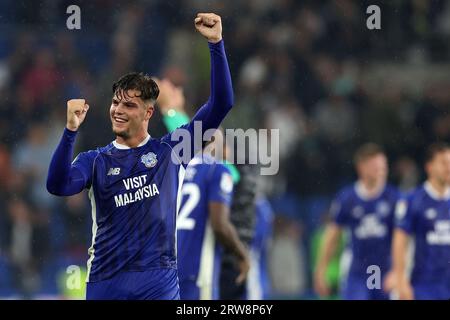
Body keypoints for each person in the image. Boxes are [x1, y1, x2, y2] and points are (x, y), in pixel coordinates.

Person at [46, 13, 234, 300]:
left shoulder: (171, 151)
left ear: (148, 112)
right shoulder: (94, 160)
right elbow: (57, 186)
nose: (118, 110)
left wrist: (216, 44)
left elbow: (222, 103)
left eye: (129, 105)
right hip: (106, 283)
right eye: (115, 102)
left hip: (157, 283)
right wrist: (70, 131)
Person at [155, 78, 250, 300]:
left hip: (164, 270)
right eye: (222, 141)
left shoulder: (173, 168)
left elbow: (190, 138)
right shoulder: (221, 171)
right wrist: (242, 255)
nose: (225, 147)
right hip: (199, 272)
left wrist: (171, 111)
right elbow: (220, 223)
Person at [314, 143, 400, 300]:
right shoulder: (347, 198)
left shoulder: (394, 198)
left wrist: (398, 272)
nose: (381, 172)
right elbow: (332, 236)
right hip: (356, 272)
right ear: (362, 167)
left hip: (386, 271)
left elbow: (402, 238)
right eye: (376, 167)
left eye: (383, 167)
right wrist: (321, 270)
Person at [385, 143, 450, 300]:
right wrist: (400, 280)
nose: (449, 167)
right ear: (429, 167)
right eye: (443, 163)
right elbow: (400, 241)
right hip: (423, 285)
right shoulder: (412, 200)